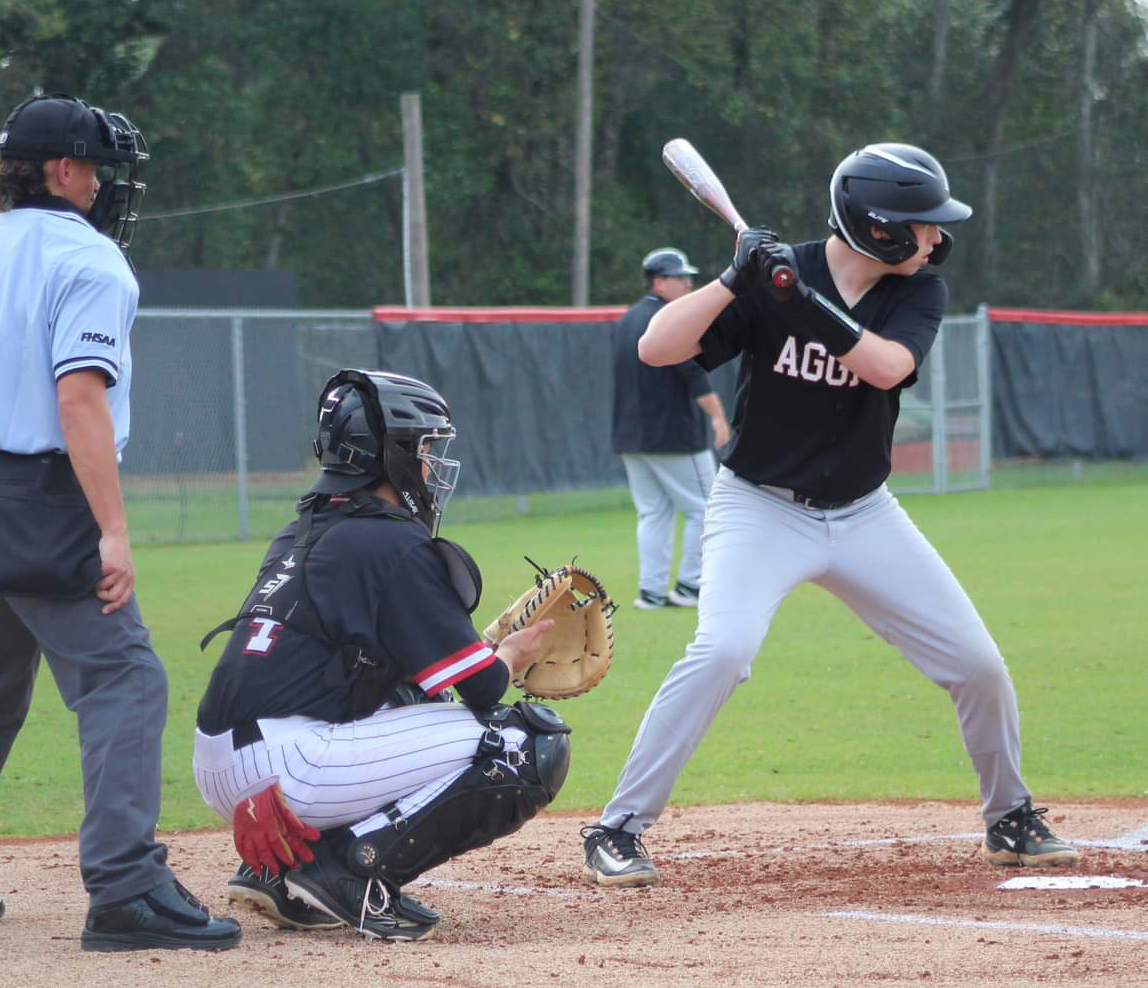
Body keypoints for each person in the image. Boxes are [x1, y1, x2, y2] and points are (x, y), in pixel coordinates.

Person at [581, 143, 1081, 887]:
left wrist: (802, 301)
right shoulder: (772, 275)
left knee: (978, 665)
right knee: (722, 652)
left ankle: (1009, 816)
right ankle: (618, 828)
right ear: (878, 227)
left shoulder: (918, 292)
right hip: (758, 508)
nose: (936, 237)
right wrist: (734, 280)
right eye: (921, 224)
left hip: (865, 514)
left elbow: (886, 367)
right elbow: (657, 348)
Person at [193, 369, 571, 941]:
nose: (431, 466)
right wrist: (511, 655)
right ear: (390, 455)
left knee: (410, 694)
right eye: (424, 450)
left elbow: (410, 676)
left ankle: (280, 869)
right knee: (527, 743)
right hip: (289, 766)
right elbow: (484, 688)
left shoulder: (303, 530)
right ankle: (347, 872)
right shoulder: (392, 539)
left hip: (227, 764)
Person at [0, 94, 241, 949]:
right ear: (63, 169)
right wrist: (112, 529)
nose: (103, 185)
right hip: (42, 500)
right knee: (125, 681)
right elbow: (77, 398)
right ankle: (126, 887)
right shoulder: (89, 260)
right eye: (96, 169)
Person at [612, 247, 730, 609]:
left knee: (653, 513)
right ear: (659, 281)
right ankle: (691, 585)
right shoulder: (670, 317)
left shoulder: (628, 318)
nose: (688, 284)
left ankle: (651, 591)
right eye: (680, 278)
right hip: (674, 438)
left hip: (631, 437)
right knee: (706, 509)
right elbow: (693, 374)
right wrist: (717, 416)